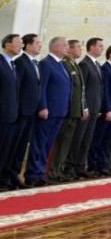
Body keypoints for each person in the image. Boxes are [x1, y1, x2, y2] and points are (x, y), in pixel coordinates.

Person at [26, 36, 71, 187]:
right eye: (64, 45)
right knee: (39, 143)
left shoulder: (62, 65)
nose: (67, 48)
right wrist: (43, 106)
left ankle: (41, 172)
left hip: (60, 111)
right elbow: (42, 87)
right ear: (55, 47)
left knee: (48, 144)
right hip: (48, 111)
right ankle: (33, 174)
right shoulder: (46, 63)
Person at [49, 39, 87, 182]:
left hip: (75, 111)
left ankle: (59, 170)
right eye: (77, 47)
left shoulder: (74, 65)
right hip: (67, 110)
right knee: (60, 143)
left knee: (67, 143)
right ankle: (53, 171)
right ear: (70, 49)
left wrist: (83, 107)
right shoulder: (64, 64)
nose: (80, 50)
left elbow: (80, 89)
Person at [69, 37, 104, 179]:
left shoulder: (96, 64)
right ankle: (71, 167)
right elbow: (82, 89)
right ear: (92, 47)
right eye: (100, 46)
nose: (102, 48)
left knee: (87, 139)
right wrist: (84, 107)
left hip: (95, 108)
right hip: (86, 109)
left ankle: (80, 166)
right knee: (79, 139)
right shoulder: (85, 64)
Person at [10, 34, 42, 188]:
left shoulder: (35, 63)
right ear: (28, 46)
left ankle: (15, 174)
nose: (40, 46)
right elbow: (17, 88)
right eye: (37, 43)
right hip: (22, 111)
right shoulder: (21, 62)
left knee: (22, 145)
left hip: (32, 112)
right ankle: (8, 176)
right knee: (14, 145)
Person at [91, 45, 111, 177]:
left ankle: (104, 164)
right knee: (99, 139)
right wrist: (108, 109)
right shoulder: (105, 69)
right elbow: (105, 92)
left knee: (109, 140)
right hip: (107, 111)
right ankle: (95, 165)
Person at [0, 34, 23, 190]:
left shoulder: (13, 64)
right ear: (7, 44)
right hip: (2, 114)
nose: (20, 46)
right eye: (18, 43)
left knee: (6, 150)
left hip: (11, 115)